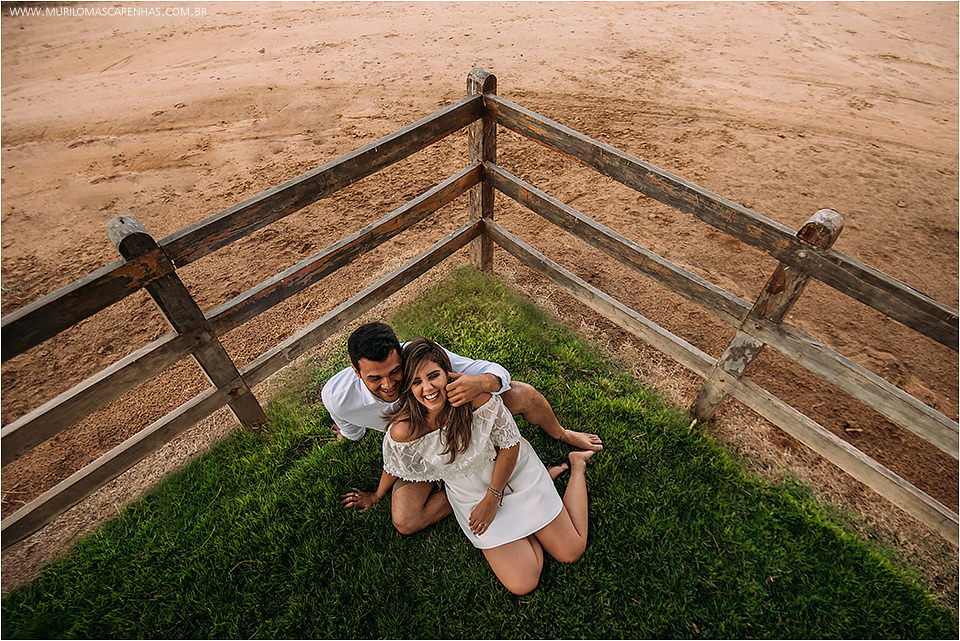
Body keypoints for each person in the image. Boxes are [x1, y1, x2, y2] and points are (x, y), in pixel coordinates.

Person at [345, 337, 595, 595]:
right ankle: (543, 501)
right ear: (408, 387)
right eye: (417, 382)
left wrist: (493, 497)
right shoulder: (404, 430)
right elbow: (394, 466)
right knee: (523, 583)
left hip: (510, 472)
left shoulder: (477, 399)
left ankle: (576, 466)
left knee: (570, 551)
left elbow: (510, 445)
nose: (428, 388)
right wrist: (376, 495)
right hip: (470, 495)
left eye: (434, 376)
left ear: (449, 374)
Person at [322, 322, 602, 535]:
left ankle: (561, 434)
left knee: (523, 394)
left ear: (402, 356)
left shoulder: (419, 357)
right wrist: (370, 484)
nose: (389, 384)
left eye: (395, 371)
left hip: (460, 424)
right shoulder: (338, 399)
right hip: (422, 449)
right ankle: (502, 485)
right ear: (356, 372)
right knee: (405, 521)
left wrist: (480, 384)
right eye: (375, 378)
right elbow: (353, 431)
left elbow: (496, 372)